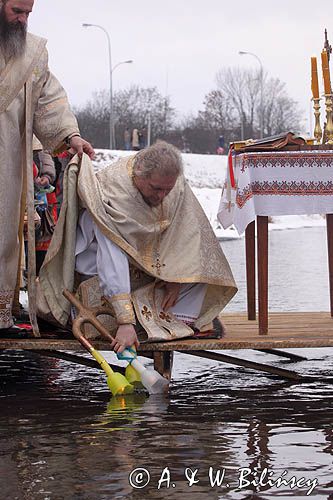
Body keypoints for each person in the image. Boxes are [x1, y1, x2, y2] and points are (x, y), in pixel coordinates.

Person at [39, 141, 237, 353]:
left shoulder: (175, 187)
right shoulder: (109, 195)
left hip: (147, 269)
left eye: (167, 190)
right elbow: (111, 260)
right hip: (101, 276)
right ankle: (137, 324)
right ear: (138, 175)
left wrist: (177, 276)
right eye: (156, 189)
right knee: (112, 309)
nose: (161, 196)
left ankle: (168, 321)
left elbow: (188, 234)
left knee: (202, 275)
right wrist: (125, 321)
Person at [0, 0, 94, 333]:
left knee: (5, 235)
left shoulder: (33, 54)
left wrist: (71, 135)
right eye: (16, 11)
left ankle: (4, 311)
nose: (23, 20)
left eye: (28, 13)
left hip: (8, 163)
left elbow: (49, 100)